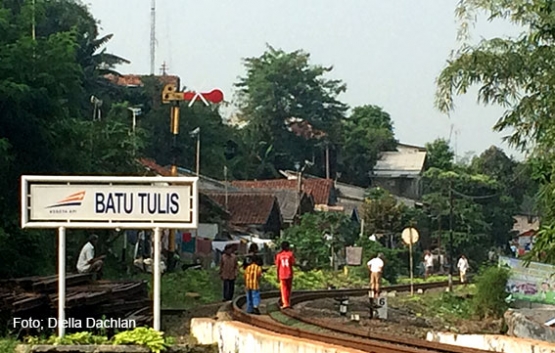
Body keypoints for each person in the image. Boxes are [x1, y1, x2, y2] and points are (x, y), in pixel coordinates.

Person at [275, 241, 295, 309]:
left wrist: (277, 275)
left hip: (282, 274)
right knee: (289, 289)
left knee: (283, 290)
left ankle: (285, 303)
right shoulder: (290, 254)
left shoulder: (279, 255)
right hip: (289, 273)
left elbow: (277, 266)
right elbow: (293, 263)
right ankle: (288, 302)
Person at [244, 246, 263, 315]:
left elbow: (245, 276)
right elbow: (259, 276)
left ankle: (249, 309)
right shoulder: (258, 268)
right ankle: (255, 306)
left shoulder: (248, 268)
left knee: (249, 296)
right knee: (255, 295)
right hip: (255, 284)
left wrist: (245, 284)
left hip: (248, 284)